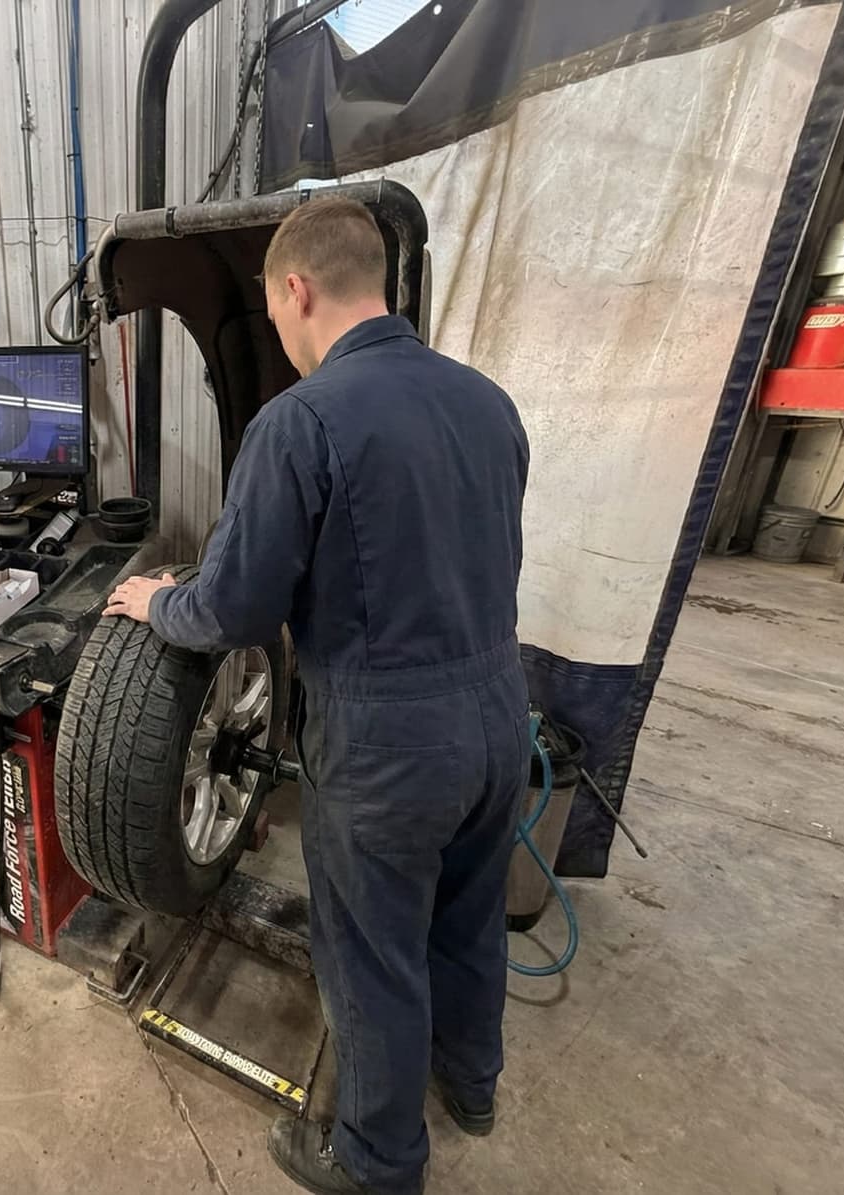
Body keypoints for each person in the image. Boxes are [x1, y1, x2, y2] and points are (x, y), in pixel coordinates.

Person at [104, 196, 530, 1195]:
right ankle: (471, 1081)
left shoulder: (299, 422)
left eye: (274, 314)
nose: (284, 340)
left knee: (372, 949)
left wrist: (157, 599)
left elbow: (235, 608)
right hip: (498, 711)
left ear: (295, 289)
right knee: (465, 913)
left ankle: (375, 1161)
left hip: (388, 740)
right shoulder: (488, 404)